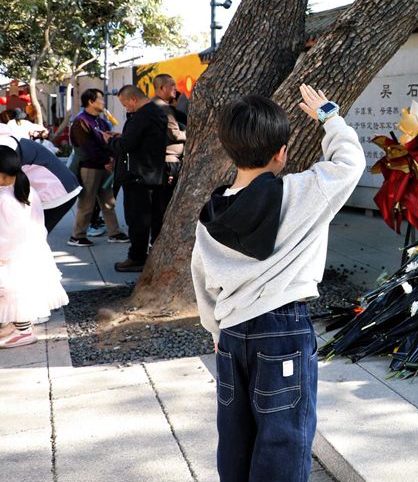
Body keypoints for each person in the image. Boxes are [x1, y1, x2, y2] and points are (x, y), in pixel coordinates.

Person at [191, 87, 364, 482]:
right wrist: (329, 116)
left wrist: (216, 330)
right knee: (283, 439)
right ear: (281, 152)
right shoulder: (304, 191)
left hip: (233, 333)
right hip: (284, 330)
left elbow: (201, 278)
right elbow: (350, 162)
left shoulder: (211, 215)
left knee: (236, 437)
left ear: (229, 150)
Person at [0, 146, 69, 348]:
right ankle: (18, 325)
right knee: (17, 293)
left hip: (14, 255)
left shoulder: (6, 199)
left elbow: (9, 235)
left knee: (14, 293)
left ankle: (23, 330)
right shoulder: (26, 189)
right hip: (32, 249)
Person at [103, 85, 167, 273]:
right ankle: (150, 253)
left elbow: (127, 145)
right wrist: (123, 136)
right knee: (153, 218)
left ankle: (137, 257)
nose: (126, 109)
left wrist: (110, 141)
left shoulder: (140, 117)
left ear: (133, 99)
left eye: (125, 104)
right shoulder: (157, 112)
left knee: (137, 219)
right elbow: (141, 140)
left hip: (136, 175)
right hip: (153, 173)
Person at [68, 88, 129, 248]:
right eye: (100, 99)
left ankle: (115, 233)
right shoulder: (81, 122)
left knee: (109, 202)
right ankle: (77, 236)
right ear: (91, 101)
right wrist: (106, 160)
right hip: (89, 167)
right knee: (87, 203)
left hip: (104, 168)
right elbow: (87, 147)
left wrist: (112, 159)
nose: (103, 103)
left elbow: (109, 142)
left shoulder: (101, 121)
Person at [0, 123, 81, 233]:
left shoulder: (5, 144)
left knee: (30, 237)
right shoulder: (8, 140)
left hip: (55, 192)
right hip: (58, 188)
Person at [150, 74, 186, 213]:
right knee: (165, 202)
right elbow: (175, 134)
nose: (175, 89)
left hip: (160, 161)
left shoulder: (153, 104)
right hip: (168, 161)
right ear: (161, 88)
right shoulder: (163, 107)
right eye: (172, 85)